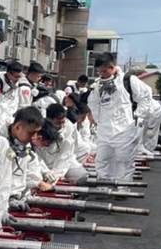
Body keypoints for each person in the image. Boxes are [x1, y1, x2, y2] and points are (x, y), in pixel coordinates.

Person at [88, 54, 146, 182]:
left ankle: (123, 187)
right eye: (99, 72)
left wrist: (138, 115)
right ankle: (103, 186)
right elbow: (92, 103)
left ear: (112, 67)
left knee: (124, 162)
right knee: (102, 161)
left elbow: (145, 96)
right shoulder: (97, 85)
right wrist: (97, 121)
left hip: (124, 131)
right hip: (104, 131)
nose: (101, 74)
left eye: (104, 71)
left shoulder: (128, 80)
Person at [5, 106, 50, 207]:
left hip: (16, 197)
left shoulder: (23, 142)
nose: (34, 137)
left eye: (36, 133)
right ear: (18, 127)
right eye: (31, 133)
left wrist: (37, 183)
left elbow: (29, 168)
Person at [37, 103, 89, 183]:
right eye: (58, 123)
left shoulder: (69, 128)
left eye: (63, 122)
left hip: (64, 163)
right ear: (49, 120)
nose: (61, 126)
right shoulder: (39, 128)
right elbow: (36, 156)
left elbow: (66, 155)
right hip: (43, 163)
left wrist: (56, 174)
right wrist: (45, 171)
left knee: (81, 176)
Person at [0, 59, 34, 131]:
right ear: (8, 73)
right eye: (16, 77)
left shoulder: (17, 84)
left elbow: (14, 104)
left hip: (7, 121)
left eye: (19, 76)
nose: (18, 79)